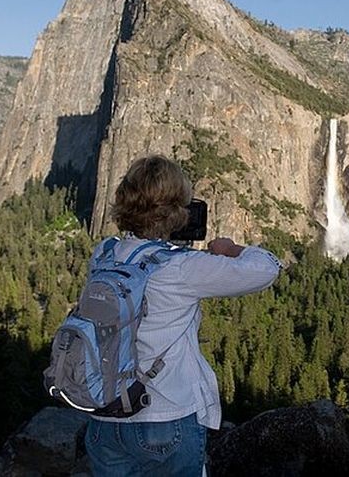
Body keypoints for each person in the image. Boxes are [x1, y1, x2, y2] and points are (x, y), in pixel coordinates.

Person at [84, 155, 282, 476]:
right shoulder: (180, 267)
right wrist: (230, 250)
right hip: (164, 418)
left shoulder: (104, 253)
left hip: (105, 421)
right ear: (177, 211)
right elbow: (267, 268)